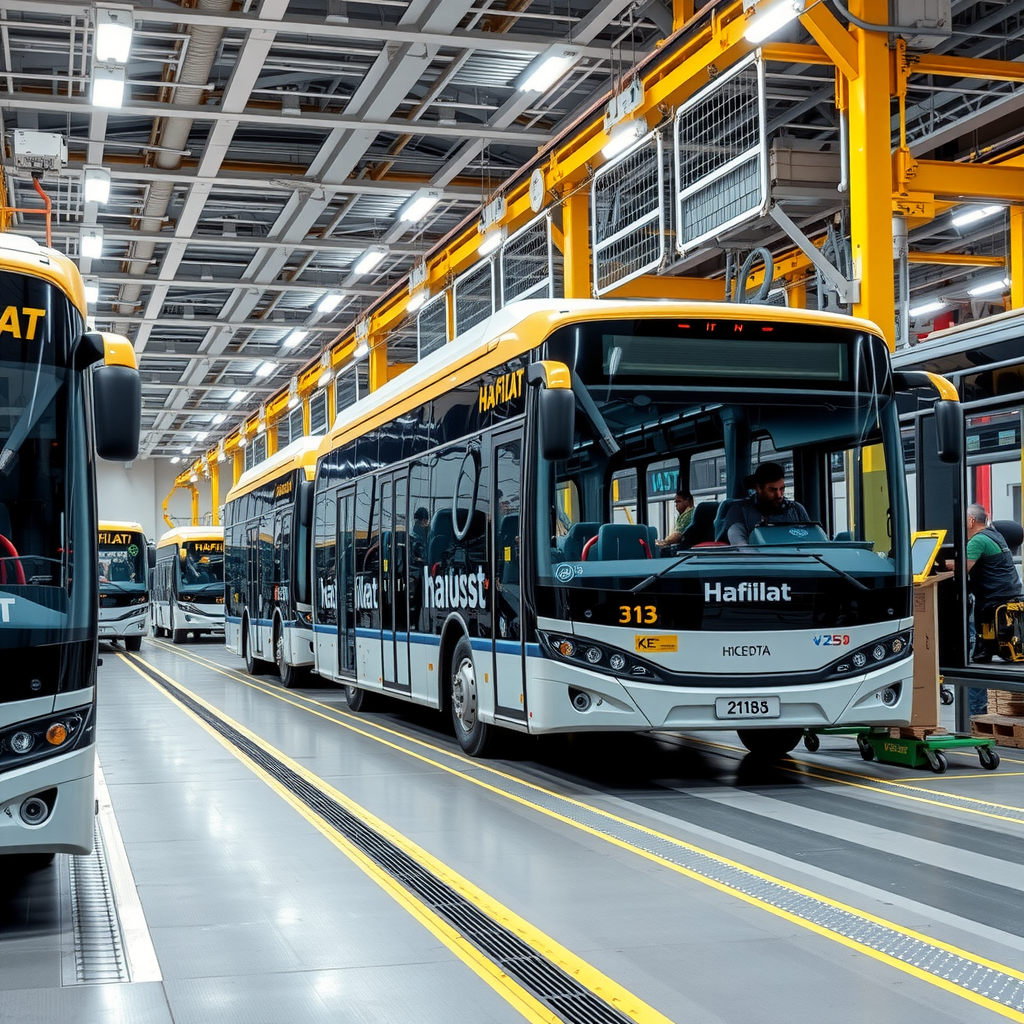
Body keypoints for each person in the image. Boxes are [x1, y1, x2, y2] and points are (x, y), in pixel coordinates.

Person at [724, 462, 808, 546]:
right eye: (772, 490)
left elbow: (810, 540)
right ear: (758, 488)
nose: (779, 495)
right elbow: (740, 546)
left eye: (782, 489)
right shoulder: (738, 512)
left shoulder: (796, 510)